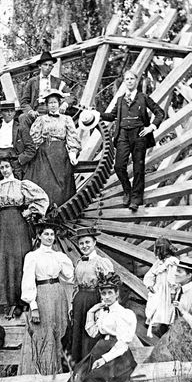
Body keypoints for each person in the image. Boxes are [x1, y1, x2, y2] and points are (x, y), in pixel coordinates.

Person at [64, 272, 138, 382]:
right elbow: (92, 333)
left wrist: (104, 360)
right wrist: (91, 312)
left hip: (117, 355)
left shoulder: (124, 314)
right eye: (103, 293)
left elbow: (123, 344)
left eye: (110, 293)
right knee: (75, 380)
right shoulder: (102, 312)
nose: (106, 297)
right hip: (99, 349)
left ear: (117, 293)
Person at [0, 158, 49, 315]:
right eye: (1, 168)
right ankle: (4, 301)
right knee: (2, 260)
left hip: (18, 223)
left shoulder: (22, 185)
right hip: (2, 225)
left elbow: (42, 198)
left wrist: (30, 210)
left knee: (19, 258)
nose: (5, 170)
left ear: (12, 167)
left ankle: (21, 302)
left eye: (7, 166)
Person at [101, 70, 165, 211]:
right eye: (127, 79)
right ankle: (127, 191)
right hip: (123, 135)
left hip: (139, 135)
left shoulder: (143, 97)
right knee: (119, 166)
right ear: (124, 81)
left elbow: (160, 112)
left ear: (136, 81)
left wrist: (151, 127)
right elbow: (111, 116)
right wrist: (97, 114)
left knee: (138, 168)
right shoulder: (120, 99)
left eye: (132, 79)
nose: (129, 81)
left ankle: (136, 199)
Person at [19, 220, 75, 375]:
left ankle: (56, 370)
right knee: (44, 332)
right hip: (42, 294)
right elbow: (28, 280)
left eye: (52, 234)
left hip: (58, 294)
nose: (50, 237)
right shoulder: (32, 256)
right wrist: (33, 306)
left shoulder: (59, 256)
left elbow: (71, 276)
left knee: (59, 331)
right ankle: (43, 371)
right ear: (39, 236)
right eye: (46, 234)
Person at [23, 89, 81, 207]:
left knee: (62, 183)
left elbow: (72, 137)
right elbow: (34, 138)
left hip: (60, 154)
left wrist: (73, 153)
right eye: (50, 103)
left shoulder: (66, 119)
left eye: (55, 102)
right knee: (44, 181)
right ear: (47, 105)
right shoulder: (41, 119)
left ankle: (60, 208)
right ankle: (45, 208)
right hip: (44, 153)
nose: (53, 105)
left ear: (59, 103)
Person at [148, 263, 192, 363]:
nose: (175, 274)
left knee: (164, 356)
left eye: (179, 271)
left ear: (189, 275)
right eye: (175, 270)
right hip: (178, 334)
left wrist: (183, 311)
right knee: (157, 355)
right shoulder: (179, 290)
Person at [67, 226, 114, 363]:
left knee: (91, 335)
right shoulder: (79, 262)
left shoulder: (101, 262)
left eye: (87, 242)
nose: (84, 246)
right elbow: (75, 285)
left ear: (94, 243)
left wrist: (105, 306)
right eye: (81, 243)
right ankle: (79, 366)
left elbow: (110, 285)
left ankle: (92, 365)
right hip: (79, 300)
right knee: (78, 334)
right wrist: (72, 304)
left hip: (94, 300)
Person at [143, 237, 180, 338]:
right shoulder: (159, 262)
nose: (158, 251)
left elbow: (172, 278)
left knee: (167, 315)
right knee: (156, 313)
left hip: (167, 291)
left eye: (160, 249)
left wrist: (173, 292)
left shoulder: (172, 262)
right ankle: (160, 334)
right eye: (157, 249)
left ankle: (167, 333)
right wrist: (149, 284)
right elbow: (150, 274)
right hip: (159, 290)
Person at [0, 99, 35, 181]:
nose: (9, 113)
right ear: (1, 113)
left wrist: (19, 160)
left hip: (15, 162)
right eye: (6, 111)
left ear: (14, 113)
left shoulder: (21, 128)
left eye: (11, 111)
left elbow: (31, 149)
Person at [19, 50, 69, 115]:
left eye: (50, 65)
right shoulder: (32, 82)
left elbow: (71, 95)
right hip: (36, 110)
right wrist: (31, 111)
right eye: (45, 65)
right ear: (40, 66)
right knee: (23, 117)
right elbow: (24, 102)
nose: (48, 67)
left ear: (52, 67)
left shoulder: (58, 81)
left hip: (52, 110)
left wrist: (65, 104)